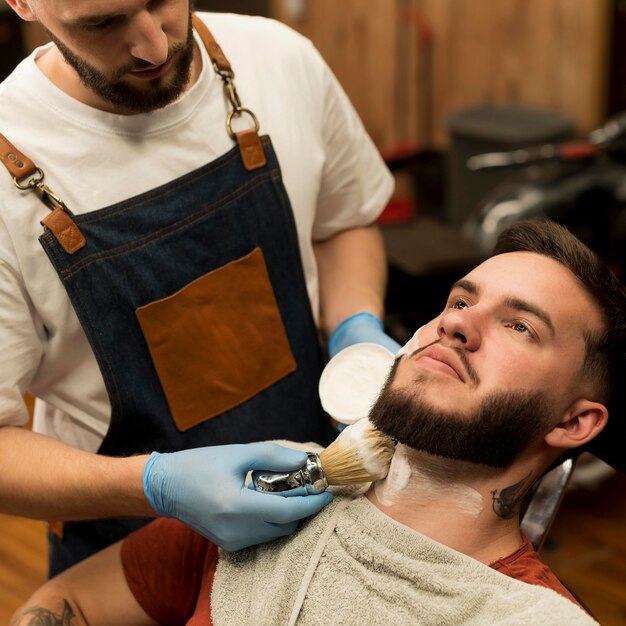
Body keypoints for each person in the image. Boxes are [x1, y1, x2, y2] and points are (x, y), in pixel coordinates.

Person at [11, 218, 626, 625]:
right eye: (461, 300)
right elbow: (68, 603)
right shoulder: (259, 508)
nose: (456, 322)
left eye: (520, 325)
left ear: (575, 423)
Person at [0, 0, 401, 575]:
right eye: (103, 23)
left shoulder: (278, 60)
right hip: (131, 553)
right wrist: (154, 486)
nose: (155, 47)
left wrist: (354, 326)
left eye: (161, 1)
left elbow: (343, 221)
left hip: (323, 508)